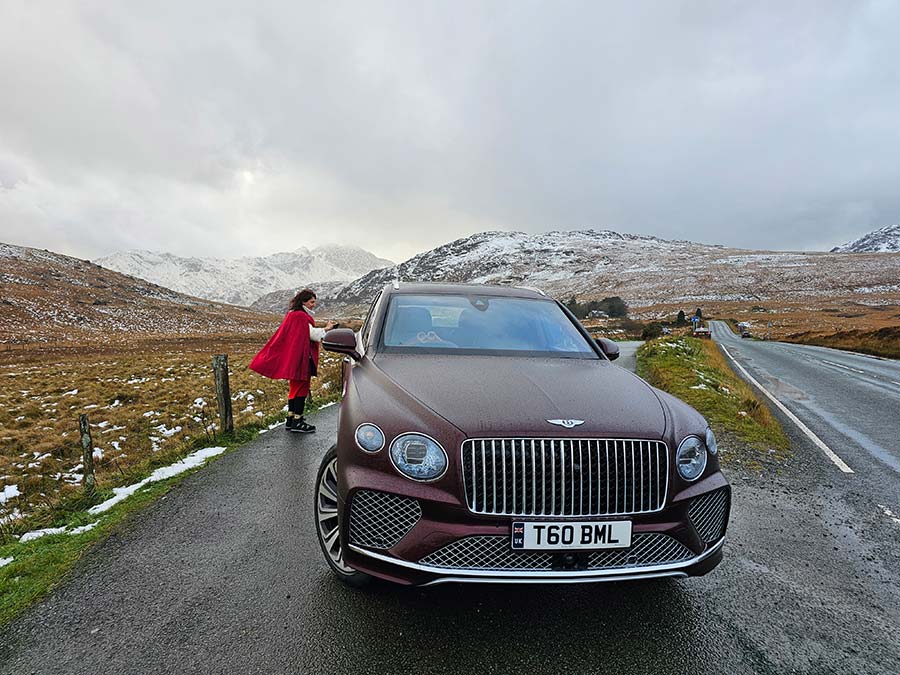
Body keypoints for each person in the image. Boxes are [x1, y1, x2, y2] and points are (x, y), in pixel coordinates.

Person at [249, 288, 334, 433]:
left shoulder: (292, 314)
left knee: (294, 388)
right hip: (302, 358)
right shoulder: (301, 316)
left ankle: (290, 419)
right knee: (302, 387)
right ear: (304, 302)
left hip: (294, 357)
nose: (314, 305)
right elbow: (312, 335)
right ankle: (298, 421)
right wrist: (327, 329)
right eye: (312, 302)